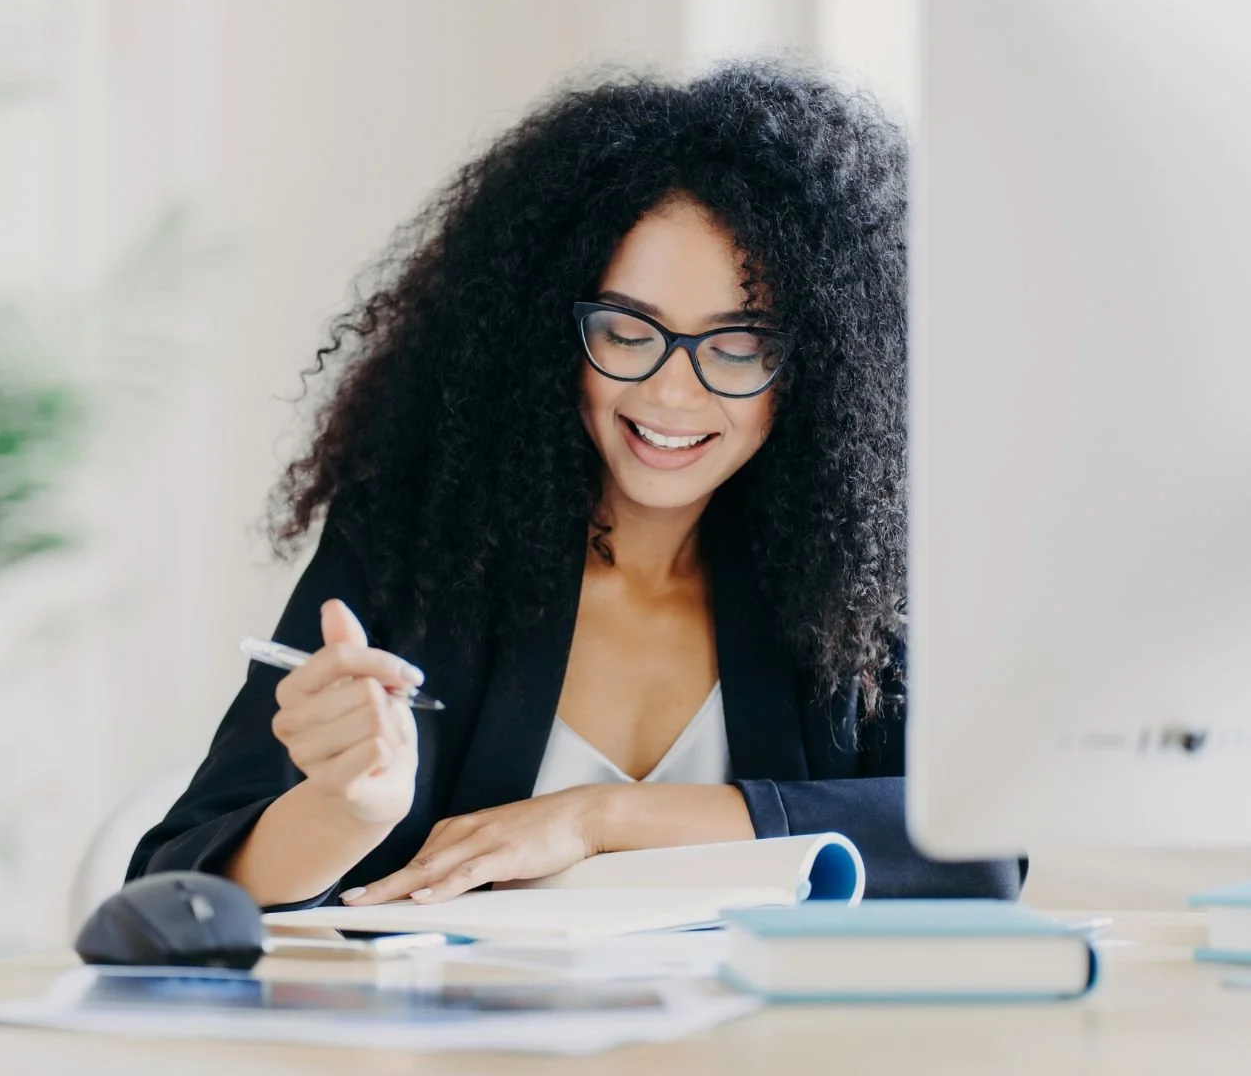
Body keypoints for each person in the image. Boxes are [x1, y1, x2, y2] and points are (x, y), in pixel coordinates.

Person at [127, 61, 1022, 910]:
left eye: (739, 345)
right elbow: (175, 885)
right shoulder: (418, 545)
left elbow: (979, 846)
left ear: (821, 368)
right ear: (547, 330)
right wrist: (344, 812)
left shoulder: (853, 589)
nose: (674, 392)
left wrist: (596, 821)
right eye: (629, 331)